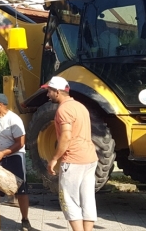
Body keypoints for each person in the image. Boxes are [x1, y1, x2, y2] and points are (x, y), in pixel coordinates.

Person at [45, 76, 98, 231]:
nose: (47, 94)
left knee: (68, 199)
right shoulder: (80, 106)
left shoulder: (63, 110)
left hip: (74, 160)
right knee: (88, 198)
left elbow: (66, 136)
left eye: (49, 91)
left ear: (57, 91)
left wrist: (54, 158)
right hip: (90, 158)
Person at [0, 93, 31, 231]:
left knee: (21, 189)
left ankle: (25, 220)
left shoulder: (14, 119)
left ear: (1, 104)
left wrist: (4, 153)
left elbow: (20, 143)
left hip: (15, 155)